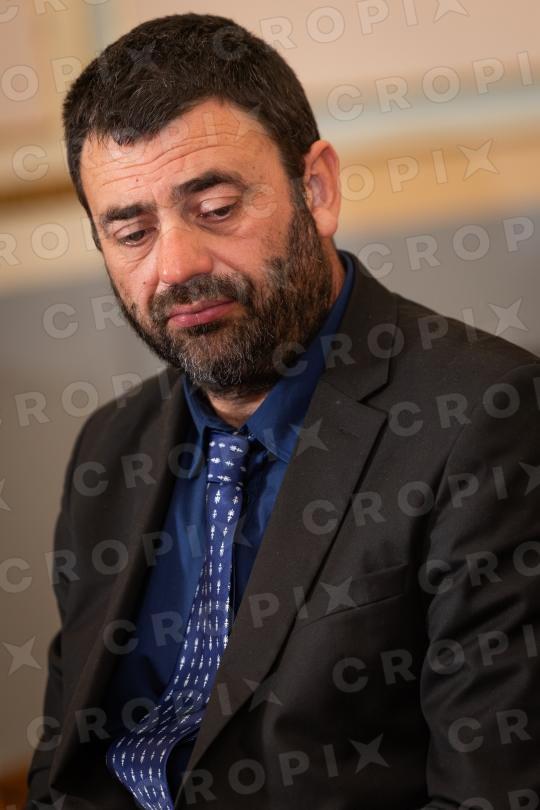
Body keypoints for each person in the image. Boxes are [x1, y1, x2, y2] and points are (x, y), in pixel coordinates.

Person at [26, 12, 540, 810]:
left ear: (318, 188)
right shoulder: (108, 448)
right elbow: (68, 764)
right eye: (131, 231)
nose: (177, 267)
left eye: (216, 208)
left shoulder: (487, 418)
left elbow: (492, 791)